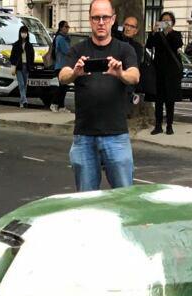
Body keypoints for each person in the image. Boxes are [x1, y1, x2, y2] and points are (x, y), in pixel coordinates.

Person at [59, 0, 140, 191]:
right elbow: (62, 76)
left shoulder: (124, 50)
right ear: (90, 20)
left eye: (105, 17)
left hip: (116, 136)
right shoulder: (77, 50)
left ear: (112, 20)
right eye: (96, 17)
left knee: (125, 196)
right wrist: (75, 73)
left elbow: (135, 76)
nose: (101, 22)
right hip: (84, 137)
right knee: (86, 199)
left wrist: (120, 73)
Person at [146, 10, 183, 134]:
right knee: (158, 101)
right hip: (159, 71)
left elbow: (178, 44)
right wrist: (153, 32)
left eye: (168, 20)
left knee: (170, 101)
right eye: (164, 20)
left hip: (171, 72)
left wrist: (170, 31)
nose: (166, 22)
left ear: (172, 22)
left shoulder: (176, 34)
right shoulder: (157, 35)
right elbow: (149, 45)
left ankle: (169, 125)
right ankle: (158, 125)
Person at [9, 24, 35, 108]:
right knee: (21, 84)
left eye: (25, 32)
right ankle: (25, 101)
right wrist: (14, 64)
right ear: (20, 33)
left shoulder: (29, 45)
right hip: (19, 66)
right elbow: (12, 56)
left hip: (26, 66)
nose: (24, 33)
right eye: (22, 32)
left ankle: (22, 102)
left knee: (25, 84)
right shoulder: (16, 44)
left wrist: (30, 65)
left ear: (27, 34)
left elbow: (32, 56)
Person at [50, 21, 73, 111]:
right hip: (60, 66)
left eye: (68, 27)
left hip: (63, 66)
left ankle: (61, 106)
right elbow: (67, 51)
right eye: (66, 27)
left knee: (64, 87)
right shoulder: (60, 38)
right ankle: (54, 103)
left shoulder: (63, 38)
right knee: (61, 87)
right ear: (61, 28)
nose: (67, 29)